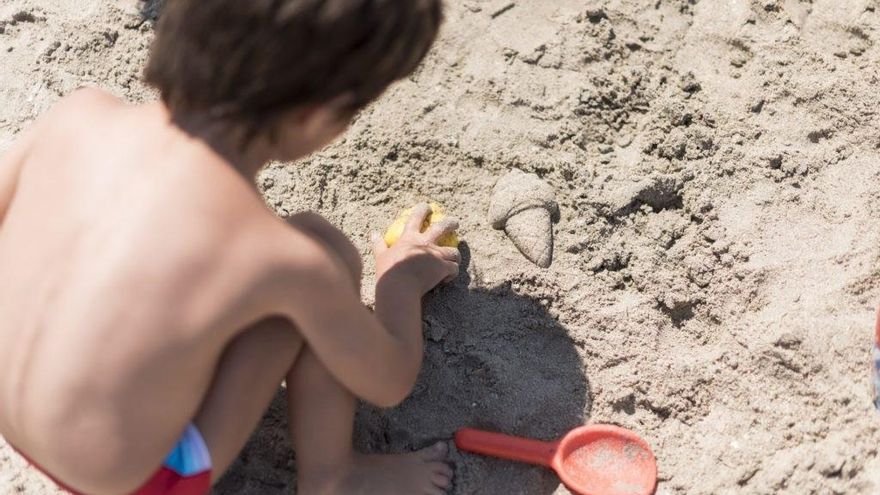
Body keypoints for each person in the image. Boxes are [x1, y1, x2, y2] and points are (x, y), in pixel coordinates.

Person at [0, 0, 459, 494]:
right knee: (321, 255)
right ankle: (334, 476)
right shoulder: (281, 258)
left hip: (11, 416)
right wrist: (400, 281)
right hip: (135, 481)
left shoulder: (78, 115)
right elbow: (389, 381)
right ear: (314, 115)